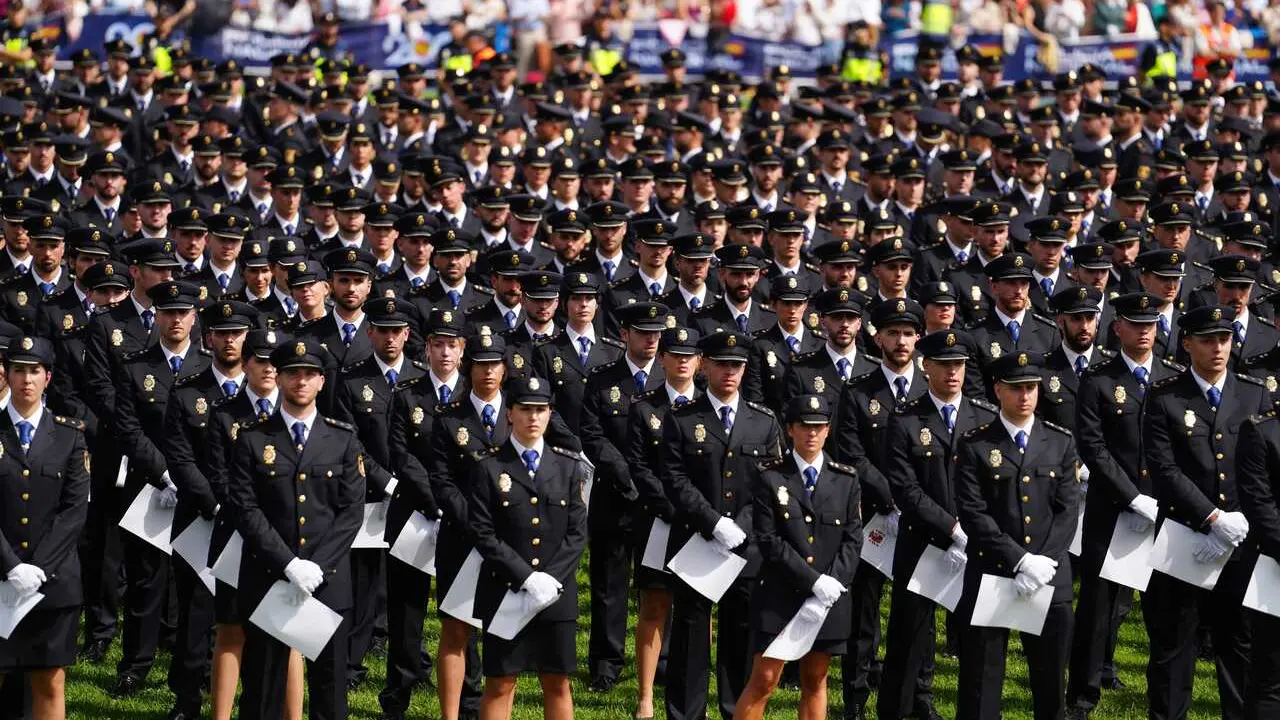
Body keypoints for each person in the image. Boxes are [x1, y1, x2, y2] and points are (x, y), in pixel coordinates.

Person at [229, 338, 367, 720]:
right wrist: (288, 565)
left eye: (309, 374)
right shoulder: (253, 437)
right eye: (293, 373)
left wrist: (317, 566)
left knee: (331, 688)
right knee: (261, 690)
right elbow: (245, 507)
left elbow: (351, 512)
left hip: (329, 579)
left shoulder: (342, 439)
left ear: (322, 381)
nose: (300, 381)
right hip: (269, 577)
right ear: (279, 378)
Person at [1142, 304, 1269, 720]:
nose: (1217, 348)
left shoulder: (1254, 393)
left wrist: (1245, 518)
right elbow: (1163, 469)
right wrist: (1212, 518)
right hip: (1184, 535)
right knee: (1173, 645)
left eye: (1224, 339)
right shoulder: (1164, 398)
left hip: (1243, 540)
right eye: (1207, 339)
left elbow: (1265, 464)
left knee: (1240, 644)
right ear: (1187, 343)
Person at [661, 330, 783, 720]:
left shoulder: (763, 422)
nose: (730, 372)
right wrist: (714, 523)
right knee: (689, 637)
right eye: (722, 364)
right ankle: (686, 714)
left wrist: (742, 527)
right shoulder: (682, 419)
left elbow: (773, 483)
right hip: (695, 541)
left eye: (737, 365)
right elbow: (674, 479)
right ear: (705, 366)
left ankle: (735, 711)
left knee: (740, 635)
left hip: (746, 549)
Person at [878, 330, 998, 720]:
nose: (952, 373)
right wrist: (951, 526)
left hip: (978, 546)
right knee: (908, 641)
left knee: (977, 642)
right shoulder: (905, 419)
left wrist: (976, 527)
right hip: (923, 543)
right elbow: (905, 488)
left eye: (959, 365)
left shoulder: (984, 416)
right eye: (944, 365)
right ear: (924, 366)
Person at [954, 351, 1079, 720]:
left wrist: (1044, 562)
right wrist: (1020, 560)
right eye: (1015, 389)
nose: (1024, 396)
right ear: (997, 391)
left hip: (1050, 575)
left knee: (1051, 679)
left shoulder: (1059, 442)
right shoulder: (975, 444)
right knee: (982, 679)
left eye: (1030, 388)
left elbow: (1068, 510)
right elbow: (973, 513)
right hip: (993, 571)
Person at [467, 374, 589, 720]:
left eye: (541, 410)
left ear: (550, 413)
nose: (533, 417)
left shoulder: (568, 466)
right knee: (501, 683)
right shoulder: (489, 466)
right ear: (510, 413)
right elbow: (482, 531)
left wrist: (549, 579)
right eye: (525, 409)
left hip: (555, 592)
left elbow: (577, 533)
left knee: (557, 682)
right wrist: (525, 577)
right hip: (505, 590)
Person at [734, 393, 862, 720]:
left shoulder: (845, 479)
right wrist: (814, 581)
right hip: (780, 593)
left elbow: (852, 538)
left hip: (828, 598)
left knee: (815, 678)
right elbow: (769, 541)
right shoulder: (770, 476)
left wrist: (832, 584)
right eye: (805, 426)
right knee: (764, 679)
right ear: (790, 429)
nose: (812, 434)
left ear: (828, 430)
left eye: (819, 427)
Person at [159, 298, 258, 720]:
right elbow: (180, 459)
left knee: (252, 615)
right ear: (209, 339)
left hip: (257, 525)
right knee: (196, 614)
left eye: (237, 333)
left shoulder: (268, 392)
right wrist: (219, 505)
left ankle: (253, 696)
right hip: (203, 518)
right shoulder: (187, 393)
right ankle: (188, 699)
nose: (230, 340)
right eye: (222, 333)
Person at [0, 335, 89, 720]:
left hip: (53, 583)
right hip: (1, 579)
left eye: (34, 371)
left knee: (49, 680)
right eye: (18, 370)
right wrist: (10, 566)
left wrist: (39, 568)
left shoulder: (70, 435)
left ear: (48, 377)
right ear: (6, 374)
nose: (26, 380)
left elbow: (74, 511)